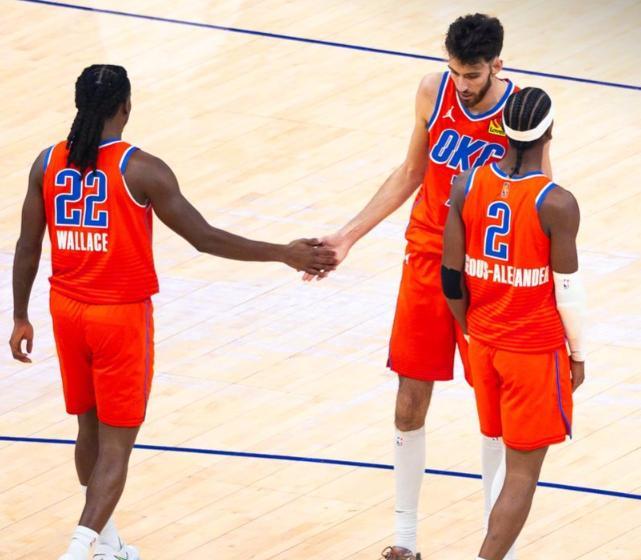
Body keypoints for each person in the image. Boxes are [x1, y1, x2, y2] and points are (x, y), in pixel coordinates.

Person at [9, 64, 337, 560]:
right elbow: (204, 238)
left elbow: (28, 245)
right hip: (118, 317)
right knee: (117, 445)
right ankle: (77, 551)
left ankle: (107, 544)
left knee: (88, 429)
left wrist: (20, 315)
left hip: (67, 311)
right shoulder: (141, 169)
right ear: (126, 106)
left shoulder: (46, 162)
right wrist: (283, 253)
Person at [305, 14, 545, 559]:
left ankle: (494, 548)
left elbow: (539, 197)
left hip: (485, 276)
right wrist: (347, 237)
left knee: (494, 417)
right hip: (427, 261)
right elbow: (410, 171)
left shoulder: (520, 112)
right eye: (455, 71)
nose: (462, 83)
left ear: (498, 65)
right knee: (409, 402)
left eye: (473, 74)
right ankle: (405, 541)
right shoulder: (432, 92)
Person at [441, 87, 585, 560]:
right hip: (533, 351)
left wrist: (471, 329)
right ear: (550, 131)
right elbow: (568, 293)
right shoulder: (557, 203)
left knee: (503, 458)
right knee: (522, 474)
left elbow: (450, 278)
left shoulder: (466, 184)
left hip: (484, 342)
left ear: (502, 128)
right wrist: (578, 355)